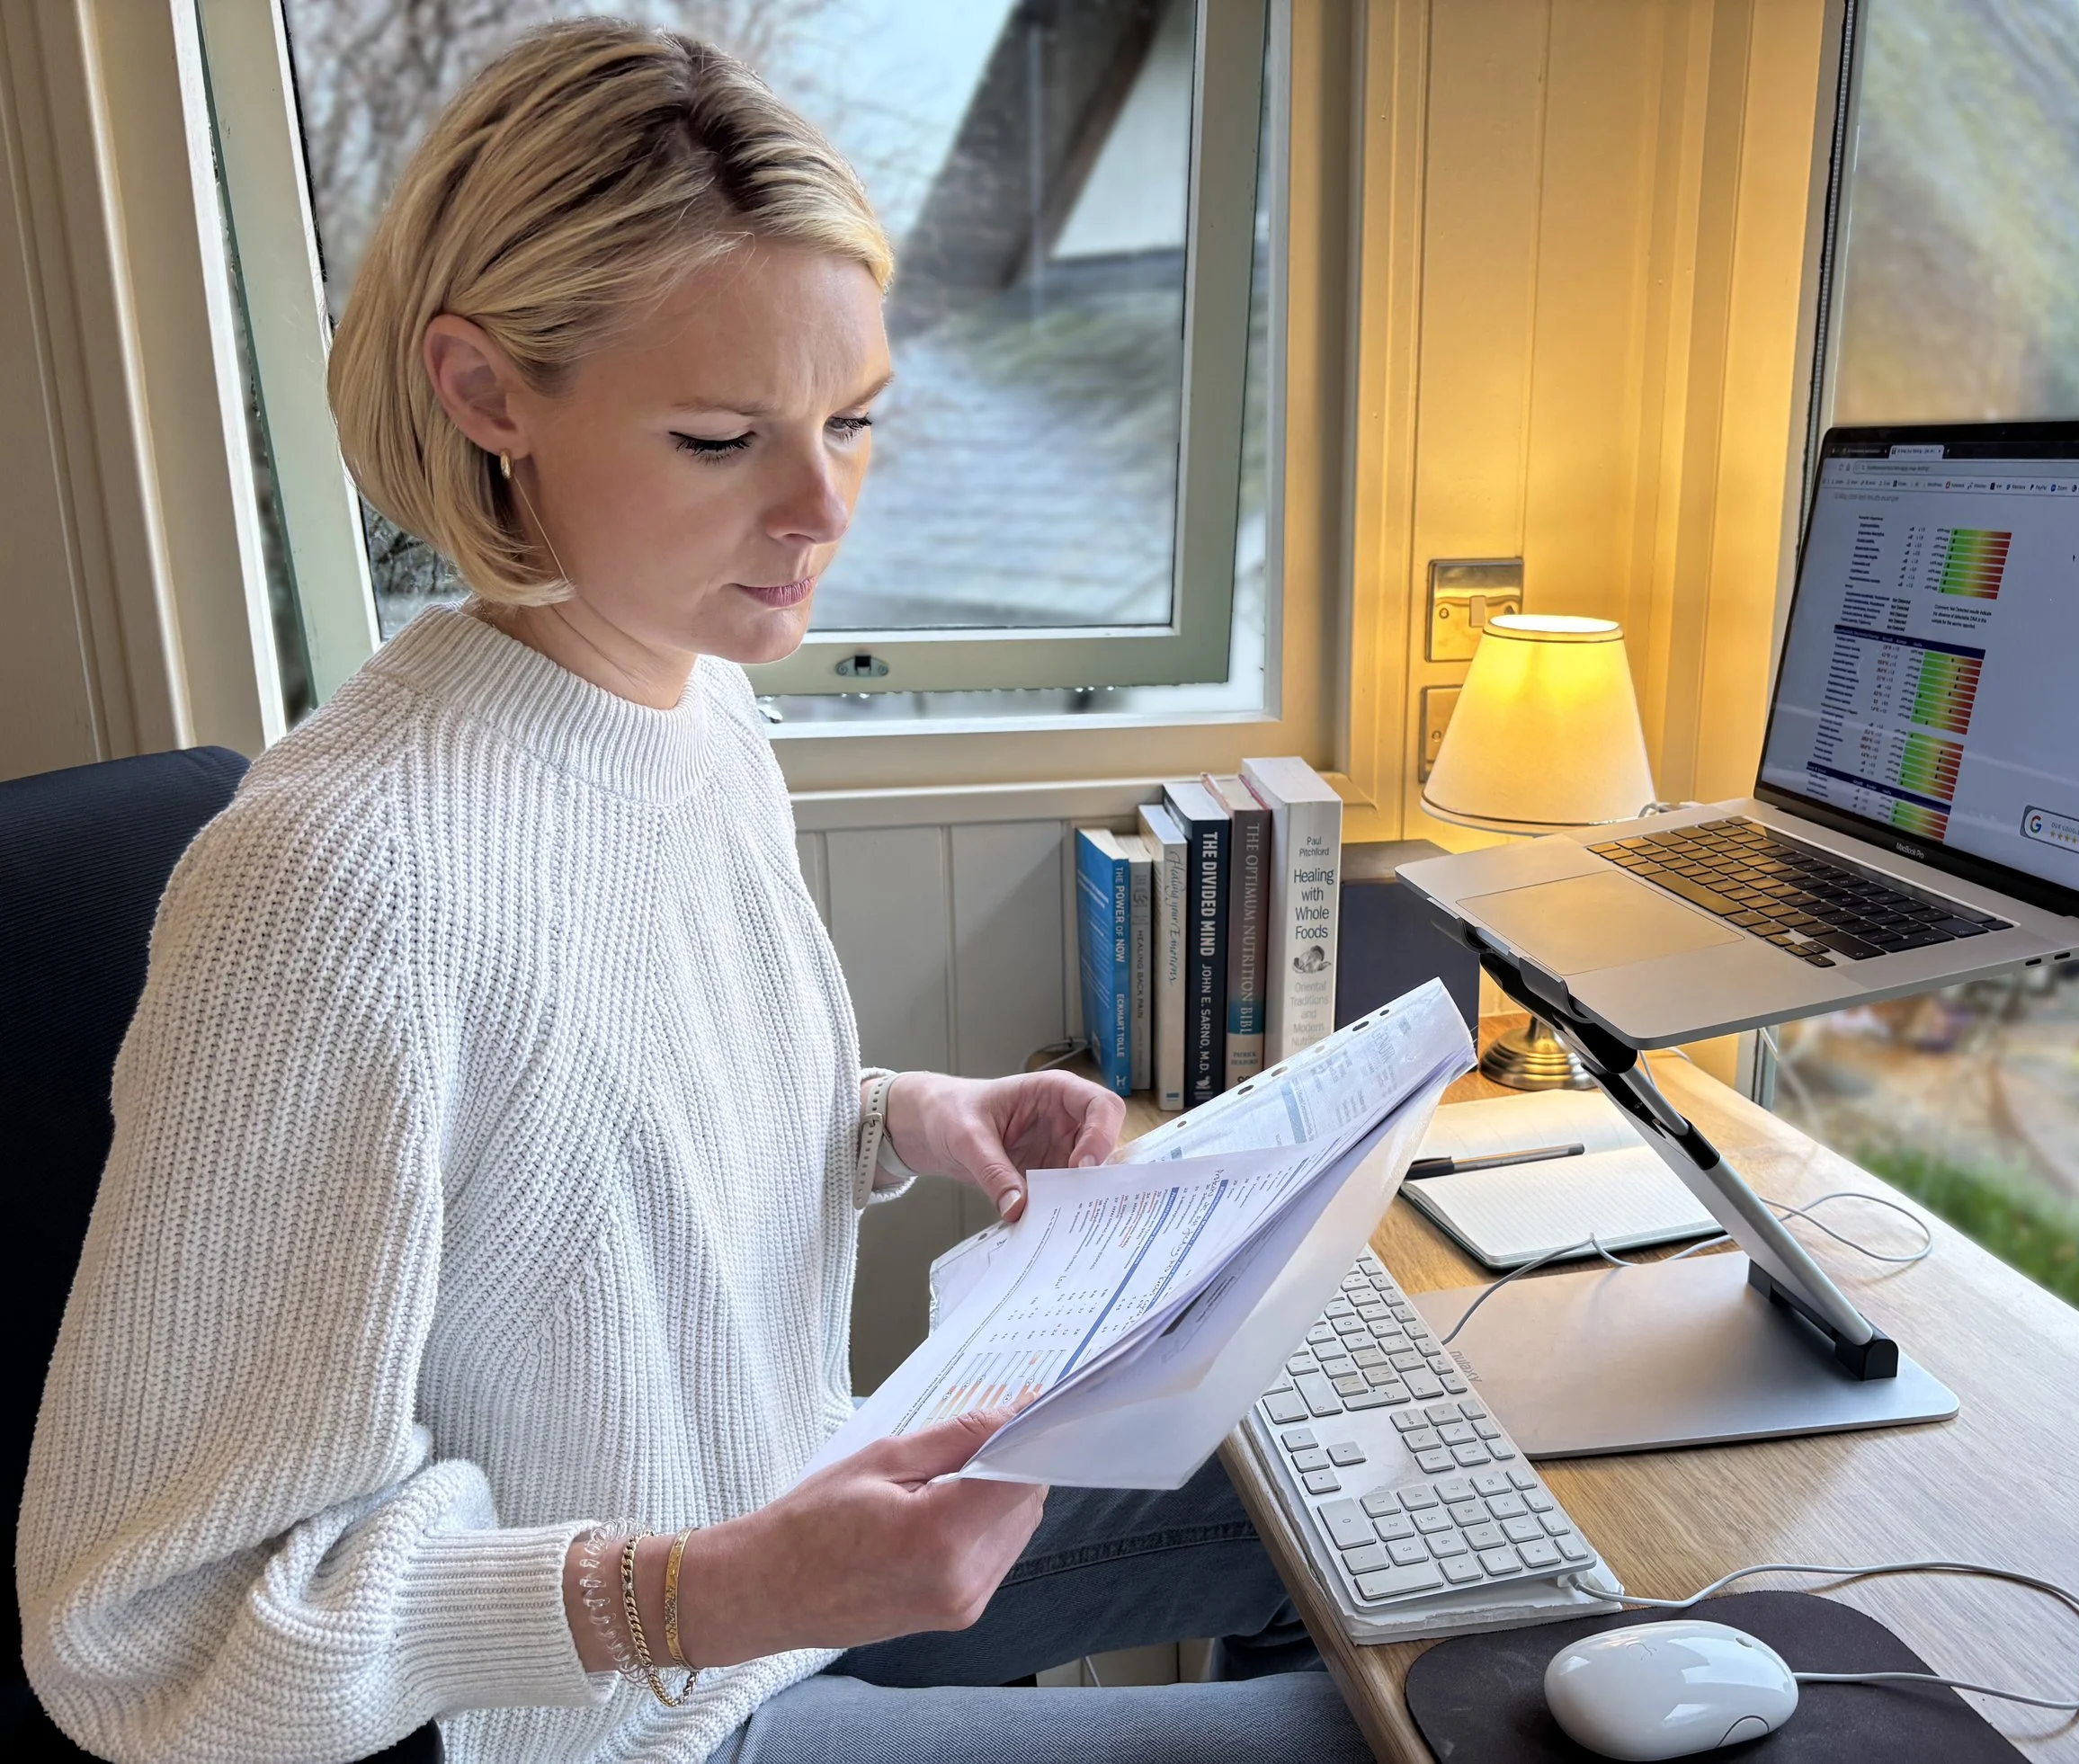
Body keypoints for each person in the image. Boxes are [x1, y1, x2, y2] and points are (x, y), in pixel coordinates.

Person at [15, 20, 1372, 1764]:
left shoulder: (692, 697)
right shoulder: (335, 880)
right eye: (725, 439)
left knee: (1373, 1515)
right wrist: (704, 1595)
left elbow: (569, 1163)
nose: (822, 509)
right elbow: (144, 1639)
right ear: (486, 393)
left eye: (854, 420)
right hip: (627, 1722)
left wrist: (899, 1119)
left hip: (784, 1553)